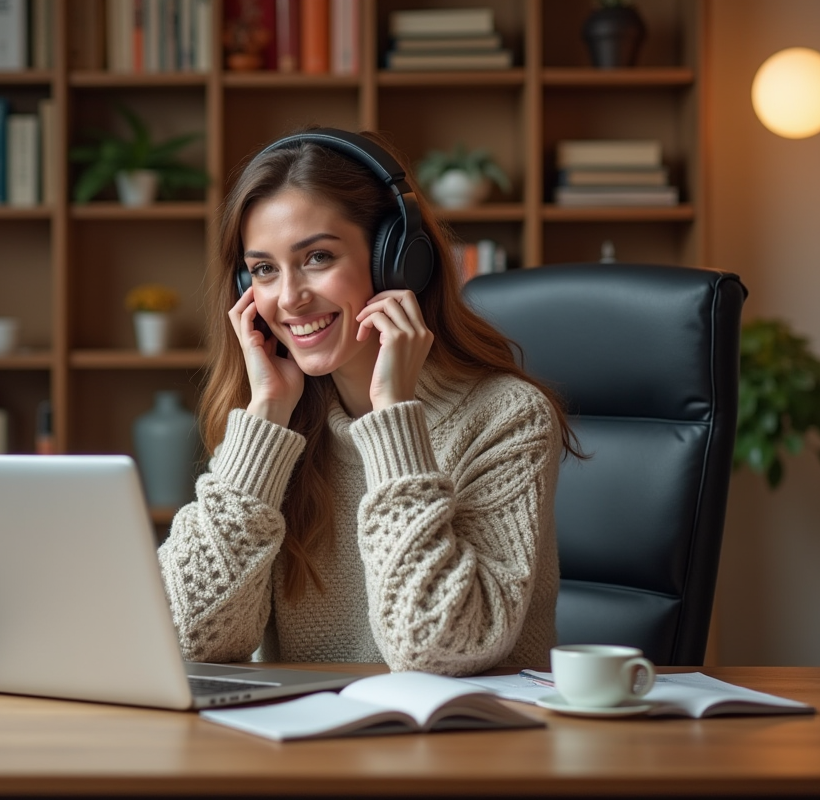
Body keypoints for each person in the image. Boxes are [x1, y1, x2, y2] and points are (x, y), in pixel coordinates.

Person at [157, 127, 578, 675]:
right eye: (263, 269)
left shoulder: (507, 416)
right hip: (302, 745)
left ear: (396, 261)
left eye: (318, 257)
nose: (288, 297)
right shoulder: (274, 425)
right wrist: (263, 421)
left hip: (464, 750)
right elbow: (189, 636)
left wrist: (392, 421)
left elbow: (437, 648)